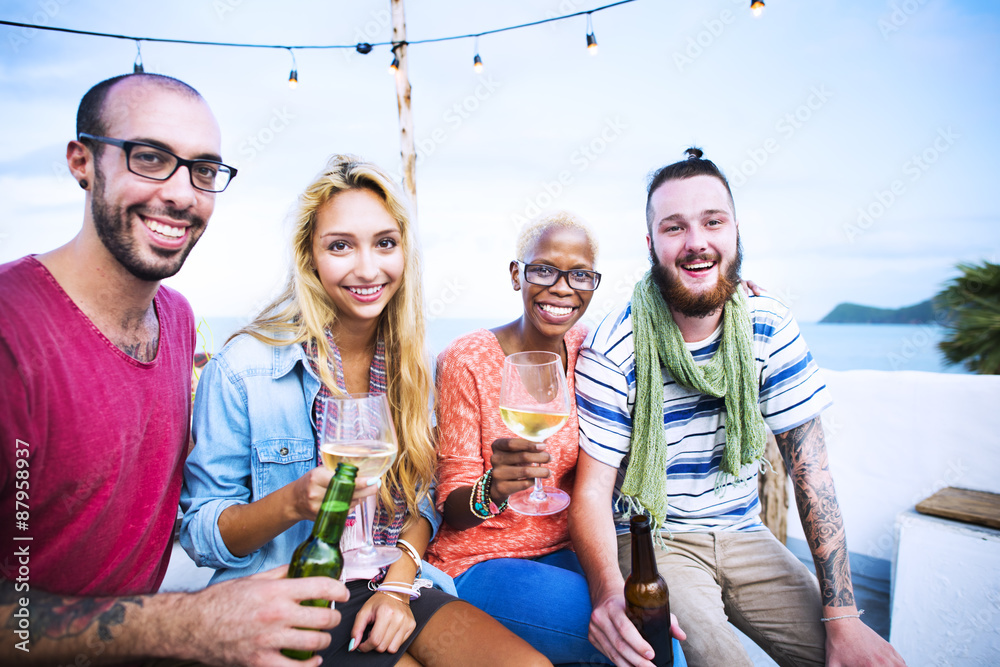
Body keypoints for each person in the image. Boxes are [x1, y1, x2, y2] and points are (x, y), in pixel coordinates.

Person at [0, 72, 350, 666]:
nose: (184, 194)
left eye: (204, 170)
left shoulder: (177, 318)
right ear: (82, 162)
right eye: (150, 158)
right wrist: (191, 623)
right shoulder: (13, 330)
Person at [180, 154, 550, 666]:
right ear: (310, 257)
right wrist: (292, 502)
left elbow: (421, 505)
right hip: (294, 594)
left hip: (390, 579)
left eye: (384, 243)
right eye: (340, 246)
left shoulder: (409, 365)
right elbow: (201, 532)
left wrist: (396, 590)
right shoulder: (244, 368)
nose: (368, 268)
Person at [570, 148, 907, 667]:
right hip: (655, 539)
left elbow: (810, 472)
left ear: (735, 232)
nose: (697, 242)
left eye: (713, 222)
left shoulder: (766, 323)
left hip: (746, 532)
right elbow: (591, 491)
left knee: (857, 657)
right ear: (651, 244)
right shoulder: (617, 343)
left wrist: (845, 620)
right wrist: (610, 594)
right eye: (675, 227)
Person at [427, 212, 684, 666]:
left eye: (580, 275)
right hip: (479, 561)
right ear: (516, 275)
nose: (563, 288)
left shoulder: (590, 347)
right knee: (645, 641)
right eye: (544, 270)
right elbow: (452, 506)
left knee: (652, 623)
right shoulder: (466, 360)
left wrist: (731, 297)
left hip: (565, 551)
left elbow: (664, 329)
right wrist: (496, 487)